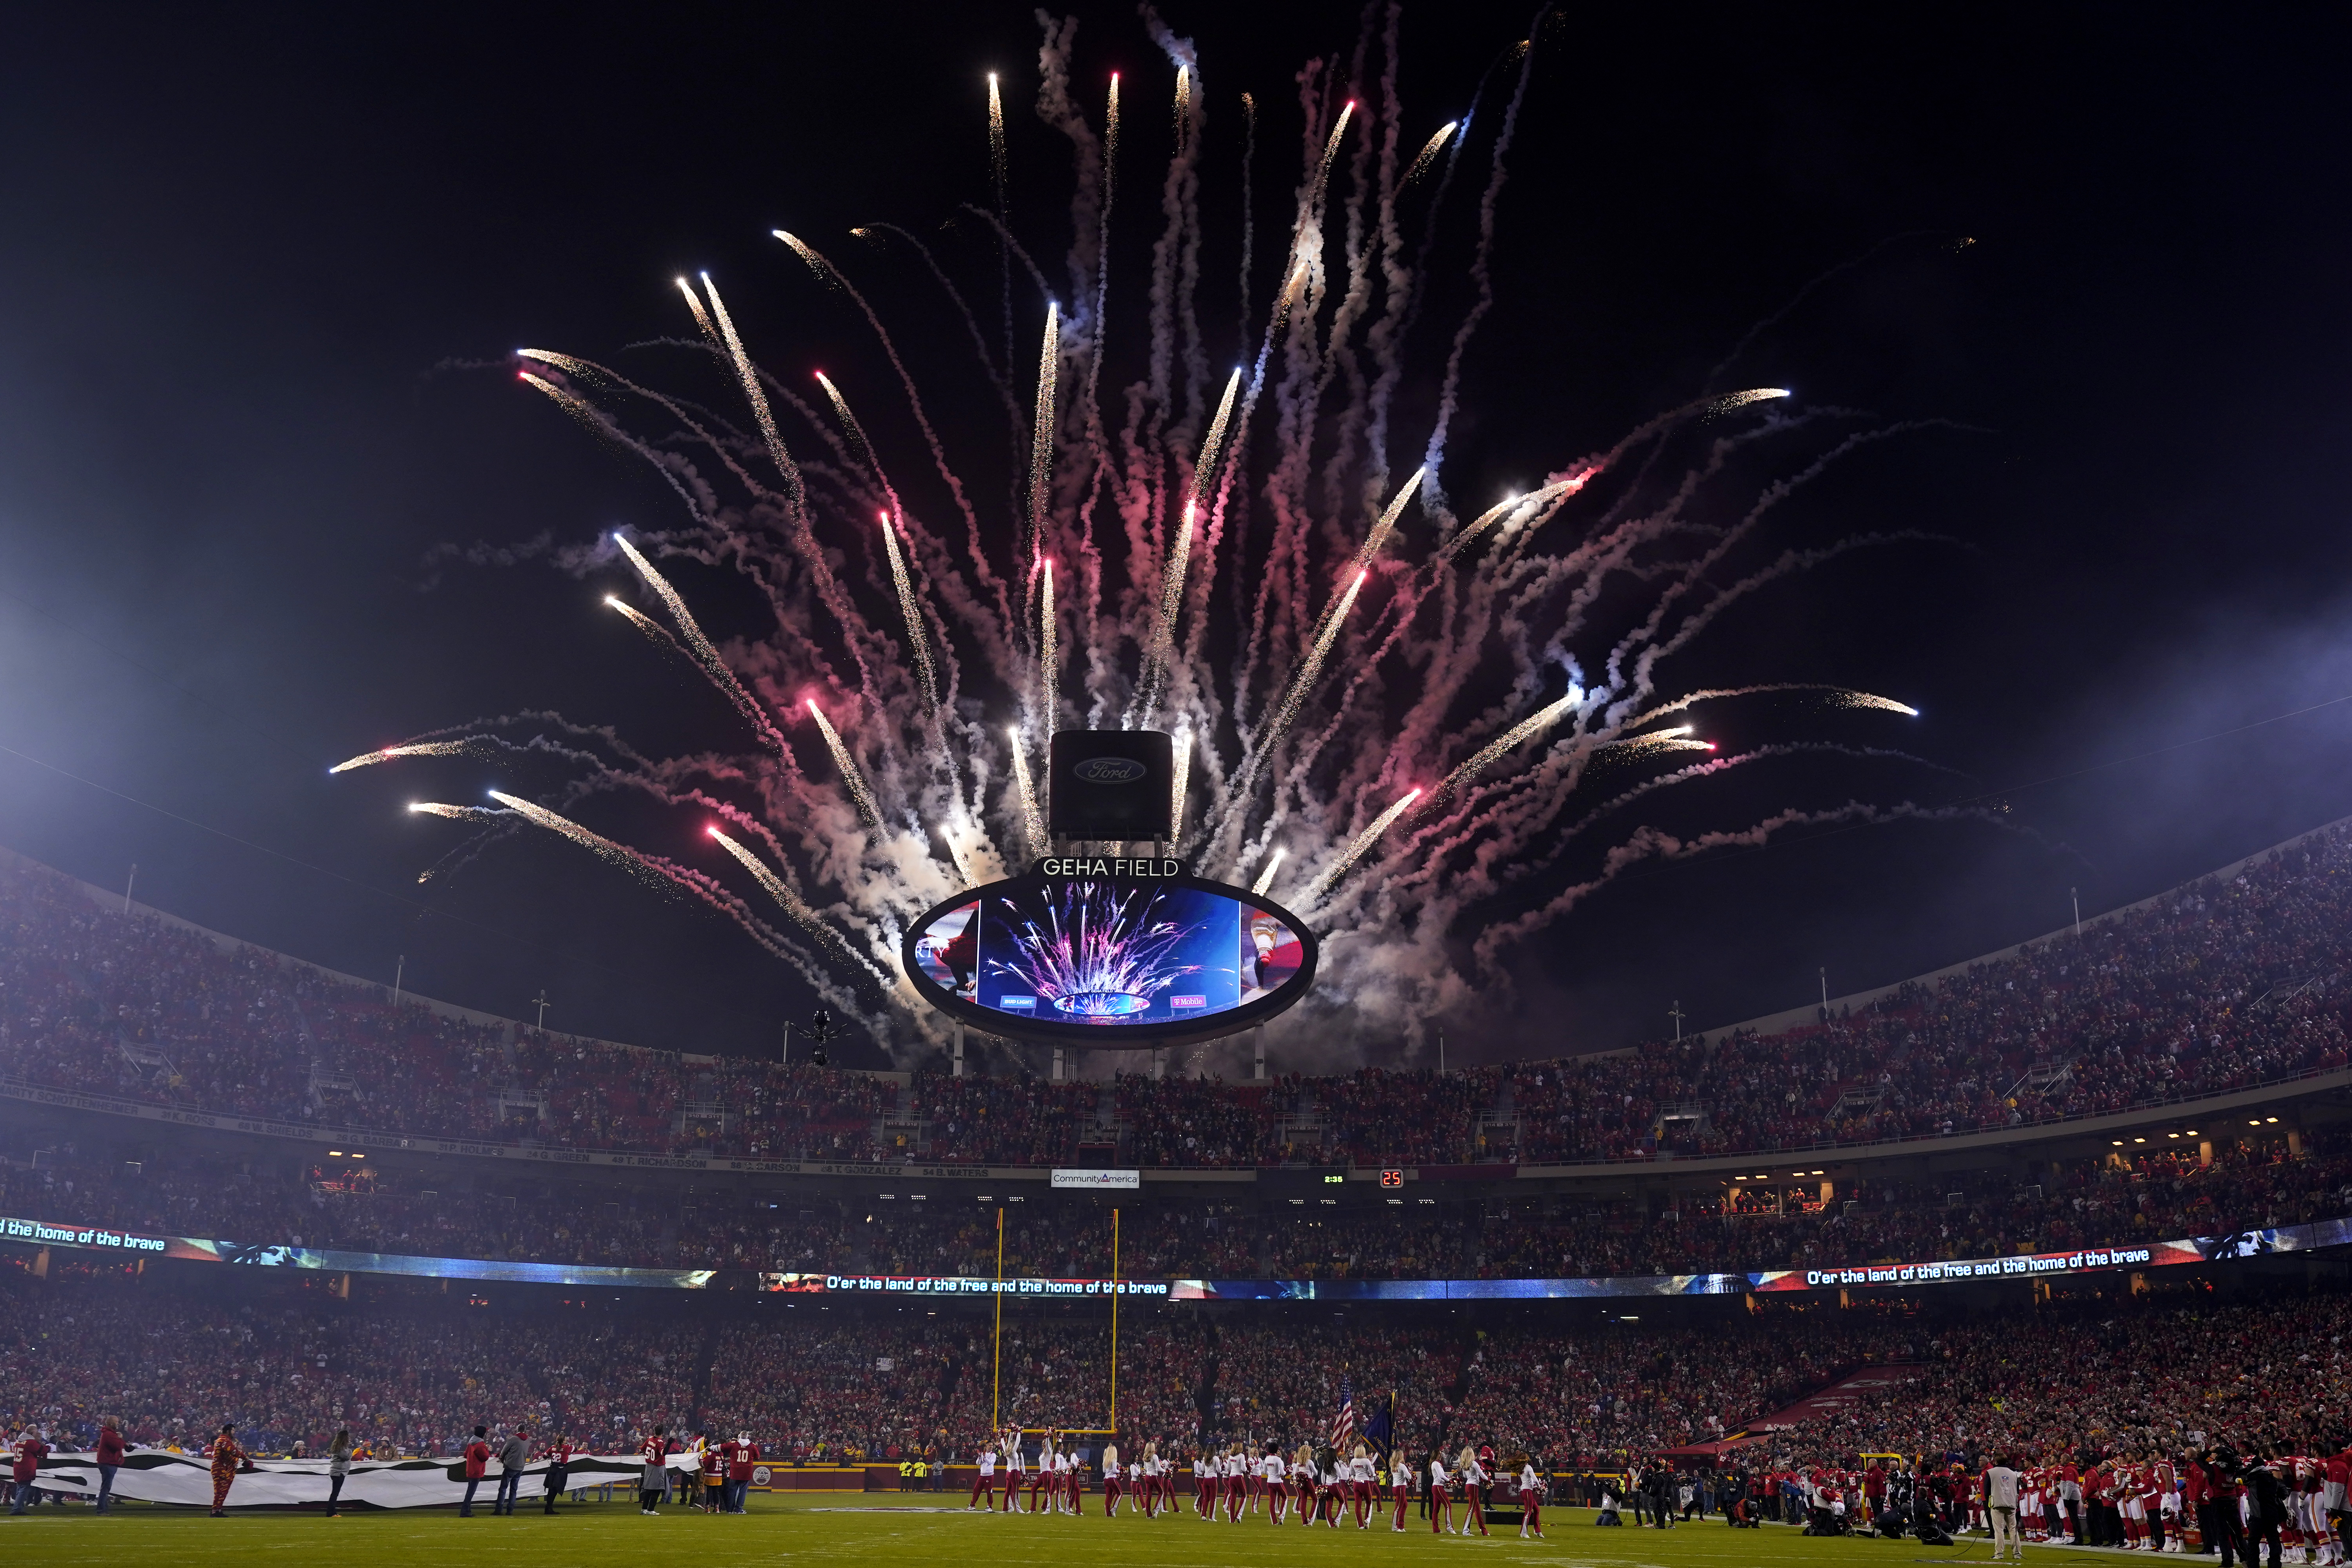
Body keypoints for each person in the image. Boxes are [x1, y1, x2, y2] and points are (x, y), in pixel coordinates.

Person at [1985, 1453, 2023, 1562]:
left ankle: (1999, 1554)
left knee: (1999, 1530)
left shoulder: (1990, 1472)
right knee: (2013, 1530)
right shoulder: (2013, 1474)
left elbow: (1987, 1491)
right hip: (2011, 1503)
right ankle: (2017, 1554)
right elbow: (2017, 1490)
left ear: (1996, 1461)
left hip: (1997, 1503)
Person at [11, 1424, 50, 1515]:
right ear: (32, 1433)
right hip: (26, 1468)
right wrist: (46, 1447)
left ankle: (18, 1508)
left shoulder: (19, 1442)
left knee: (20, 1489)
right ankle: (16, 1510)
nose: (38, 1434)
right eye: (36, 1432)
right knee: (24, 1489)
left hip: (18, 1467)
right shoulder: (30, 1443)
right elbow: (42, 1451)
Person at [208, 1424, 245, 1517]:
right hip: (220, 1469)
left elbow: (229, 1455)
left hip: (222, 1469)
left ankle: (217, 1510)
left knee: (222, 1491)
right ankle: (215, 1511)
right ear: (228, 1431)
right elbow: (233, 1451)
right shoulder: (224, 1440)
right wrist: (245, 1457)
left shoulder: (223, 1440)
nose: (234, 1433)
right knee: (220, 1491)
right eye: (233, 1431)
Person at [494, 1424, 529, 1516]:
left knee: (503, 1489)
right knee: (514, 1490)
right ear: (525, 1430)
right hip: (520, 1467)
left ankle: (499, 1509)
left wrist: (502, 1458)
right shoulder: (528, 1440)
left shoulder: (514, 1439)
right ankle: (510, 1510)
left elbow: (505, 1450)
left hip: (510, 1466)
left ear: (518, 1429)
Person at [95, 1417, 126, 1515]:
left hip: (108, 1463)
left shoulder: (108, 1434)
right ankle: (101, 1510)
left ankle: (104, 1509)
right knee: (105, 1488)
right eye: (116, 1422)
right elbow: (118, 1446)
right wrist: (120, 1438)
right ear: (111, 1423)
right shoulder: (109, 1434)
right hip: (108, 1464)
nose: (118, 1424)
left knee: (106, 1488)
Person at [459, 1425, 492, 1517]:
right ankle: (465, 1511)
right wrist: (487, 1449)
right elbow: (485, 1457)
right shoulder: (480, 1445)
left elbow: (465, 1455)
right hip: (477, 1470)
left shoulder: (471, 1443)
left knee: (470, 1491)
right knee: (471, 1493)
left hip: (470, 1469)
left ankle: (467, 1510)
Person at [639, 1425, 669, 1515]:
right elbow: (663, 1453)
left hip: (648, 1466)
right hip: (657, 1467)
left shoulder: (649, 1439)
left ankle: (644, 1509)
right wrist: (669, 1444)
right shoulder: (660, 1442)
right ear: (662, 1433)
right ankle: (651, 1509)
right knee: (657, 1489)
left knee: (648, 1489)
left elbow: (642, 1450)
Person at [542, 1431, 573, 1514]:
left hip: (552, 1470)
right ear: (564, 1441)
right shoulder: (567, 1447)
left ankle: (549, 1507)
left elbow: (544, 1456)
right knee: (555, 1490)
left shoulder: (552, 1447)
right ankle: (549, 1508)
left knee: (551, 1489)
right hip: (560, 1471)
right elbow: (575, 1449)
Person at [326, 1427, 353, 1517]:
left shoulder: (339, 1446)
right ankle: (331, 1513)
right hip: (338, 1472)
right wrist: (351, 1451)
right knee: (335, 1493)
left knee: (335, 1493)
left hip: (339, 1472)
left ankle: (332, 1512)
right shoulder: (340, 1448)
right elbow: (347, 1457)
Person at [1520, 1458, 1547, 1540]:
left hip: (1525, 1490)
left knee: (1537, 1510)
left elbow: (1530, 1480)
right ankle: (1523, 1533)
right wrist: (1540, 1487)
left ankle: (1537, 1530)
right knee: (1528, 1512)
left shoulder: (1521, 1468)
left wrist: (1536, 1487)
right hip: (1527, 1491)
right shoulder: (1528, 1467)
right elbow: (1535, 1479)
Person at [1429, 1450, 1454, 1535]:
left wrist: (1447, 1478)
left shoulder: (1436, 1464)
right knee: (1448, 1506)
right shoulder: (1436, 1464)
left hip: (1437, 1486)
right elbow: (1440, 1476)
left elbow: (1441, 1476)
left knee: (1436, 1509)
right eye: (1440, 1454)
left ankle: (1436, 1529)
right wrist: (1449, 1481)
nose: (1441, 1455)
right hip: (1438, 1487)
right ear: (1437, 1455)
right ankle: (1449, 1527)